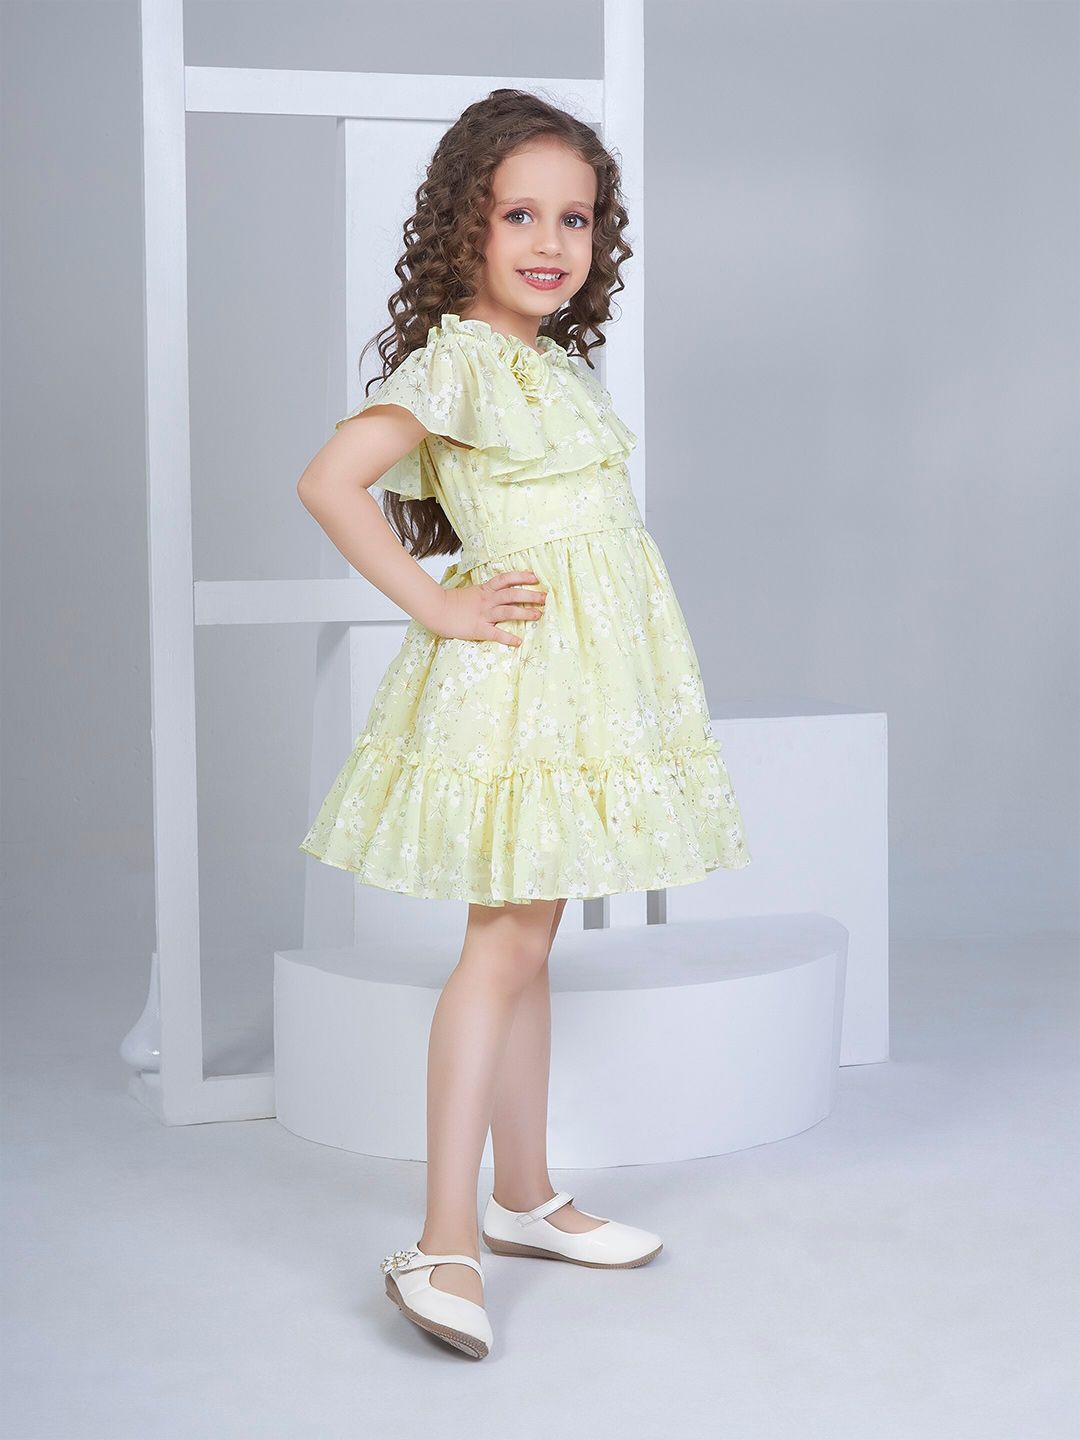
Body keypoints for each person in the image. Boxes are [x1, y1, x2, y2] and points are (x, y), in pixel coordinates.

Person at [296, 88, 751, 1360]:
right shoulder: (458, 362)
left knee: (529, 944)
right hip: (519, 686)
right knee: (498, 949)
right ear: (467, 227)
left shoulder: (551, 368)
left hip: (585, 688)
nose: (551, 242)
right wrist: (440, 606)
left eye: (576, 218)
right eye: (519, 216)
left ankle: (525, 1195)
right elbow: (329, 483)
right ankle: (443, 1235)